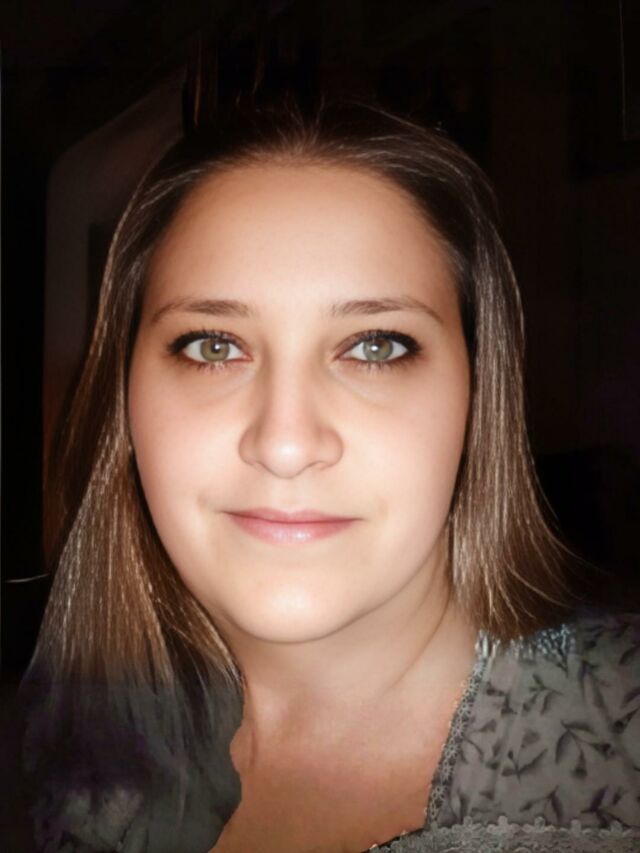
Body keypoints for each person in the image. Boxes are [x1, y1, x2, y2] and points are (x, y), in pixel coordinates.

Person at [19, 97, 640, 852]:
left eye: (376, 346)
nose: (285, 445)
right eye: (213, 345)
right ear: (124, 396)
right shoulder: (70, 741)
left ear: (479, 393)